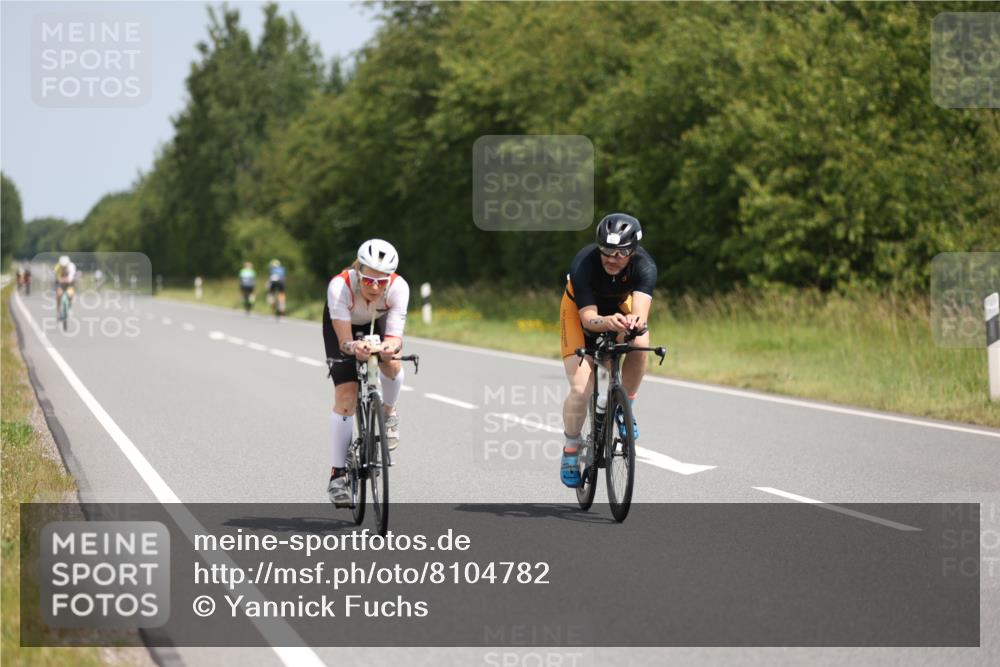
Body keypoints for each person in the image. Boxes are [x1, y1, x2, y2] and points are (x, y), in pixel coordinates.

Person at [558, 213, 657, 488]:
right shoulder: (584, 264)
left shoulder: (645, 267)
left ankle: (626, 407)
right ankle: (570, 450)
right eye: (606, 251)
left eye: (620, 253)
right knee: (581, 389)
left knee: (640, 338)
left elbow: (639, 314)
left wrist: (632, 323)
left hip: (615, 309)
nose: (612, 258)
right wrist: (607, 323)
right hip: (579, 314)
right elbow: (589, 319)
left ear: (633, 251)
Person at [323, 239, 410, 506]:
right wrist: (354, 347)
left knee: (392, 363)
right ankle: (337, 476)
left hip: (377, 323)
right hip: (344, 327)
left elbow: (395, 337)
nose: (374, 287)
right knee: (346, 398)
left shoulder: (398, 288)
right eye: (368, 280)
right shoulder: (340, 286)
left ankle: (388, 413)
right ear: (358, 271)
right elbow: (344, 343)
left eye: (381, 282)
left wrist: (388, 347)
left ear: (389, 279)